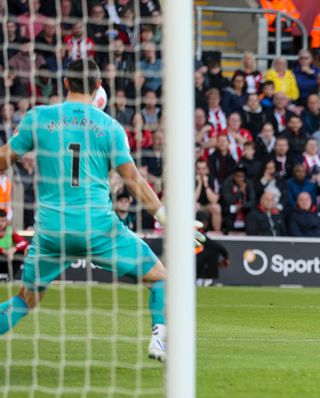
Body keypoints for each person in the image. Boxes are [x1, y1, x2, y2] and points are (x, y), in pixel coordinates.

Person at [0, 60, 204, 362]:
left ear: (66, 83)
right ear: (98, 88)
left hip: (51, 231)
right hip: (97, 227)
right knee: (162, 279)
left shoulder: (38, 118)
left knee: (25, 300)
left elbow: (5, 160)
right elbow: (133, 180)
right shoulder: (110, 127)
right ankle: (160, 339)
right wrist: (167, 220)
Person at [221, 167, 256, 234]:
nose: (240, 179)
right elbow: (228, 201)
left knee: (252, 214)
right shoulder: (227, 183)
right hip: (231, 208)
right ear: (234, 176)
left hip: (245, 208)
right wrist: (239, 191)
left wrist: (242, 206)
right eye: (237, 176)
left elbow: (252, 201)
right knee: (230, 212)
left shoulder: (248, 184)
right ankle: (229, 233)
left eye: (242, 176)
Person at [0, 209, 29, 281]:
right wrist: (3, 251)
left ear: (6, 221)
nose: (1, 224)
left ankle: (11, 277)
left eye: (3, 221)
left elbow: (24, 242)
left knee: (21, 251)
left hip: (7, 258)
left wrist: (13, 249)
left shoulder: (10, 230)